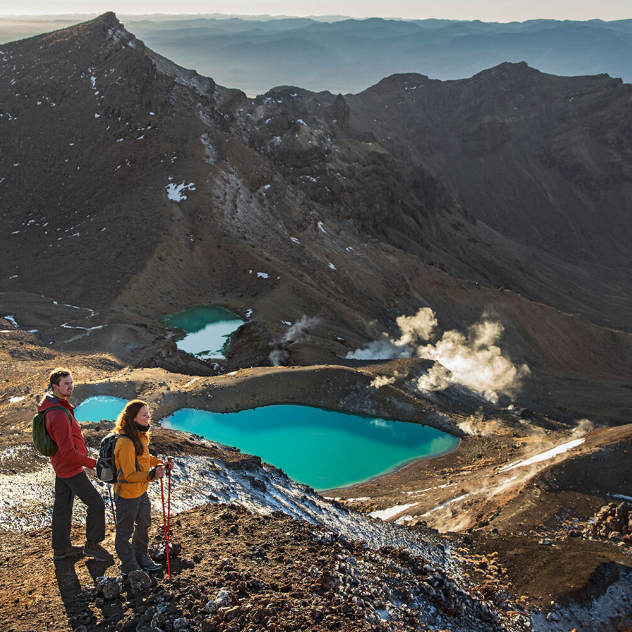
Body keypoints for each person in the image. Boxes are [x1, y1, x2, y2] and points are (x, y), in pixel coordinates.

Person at [39, 367, 113, 561]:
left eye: (71, 382)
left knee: (62, 506)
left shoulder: (55, 406)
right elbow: (68, 452)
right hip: (69, 468)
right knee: (96, 504)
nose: (71, 386)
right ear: (55, 386)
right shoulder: (59, 414)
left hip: (61, 466)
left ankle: (61, 549)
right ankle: (92, 545)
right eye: (66, 383)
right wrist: (94, 463)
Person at [112, 399, 173, 574]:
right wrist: (152, 475)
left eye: (148, 414)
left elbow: (145, 459)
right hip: (127, 494)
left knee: (144, 524)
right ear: (133, 418)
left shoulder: (140, 436)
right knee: (125, 531)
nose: (148, 418)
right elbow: (129, 474)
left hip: (140, 491)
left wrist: (161, 463)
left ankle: (143, 558)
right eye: (144, 415)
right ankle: (129, 566)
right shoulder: (125, 443)